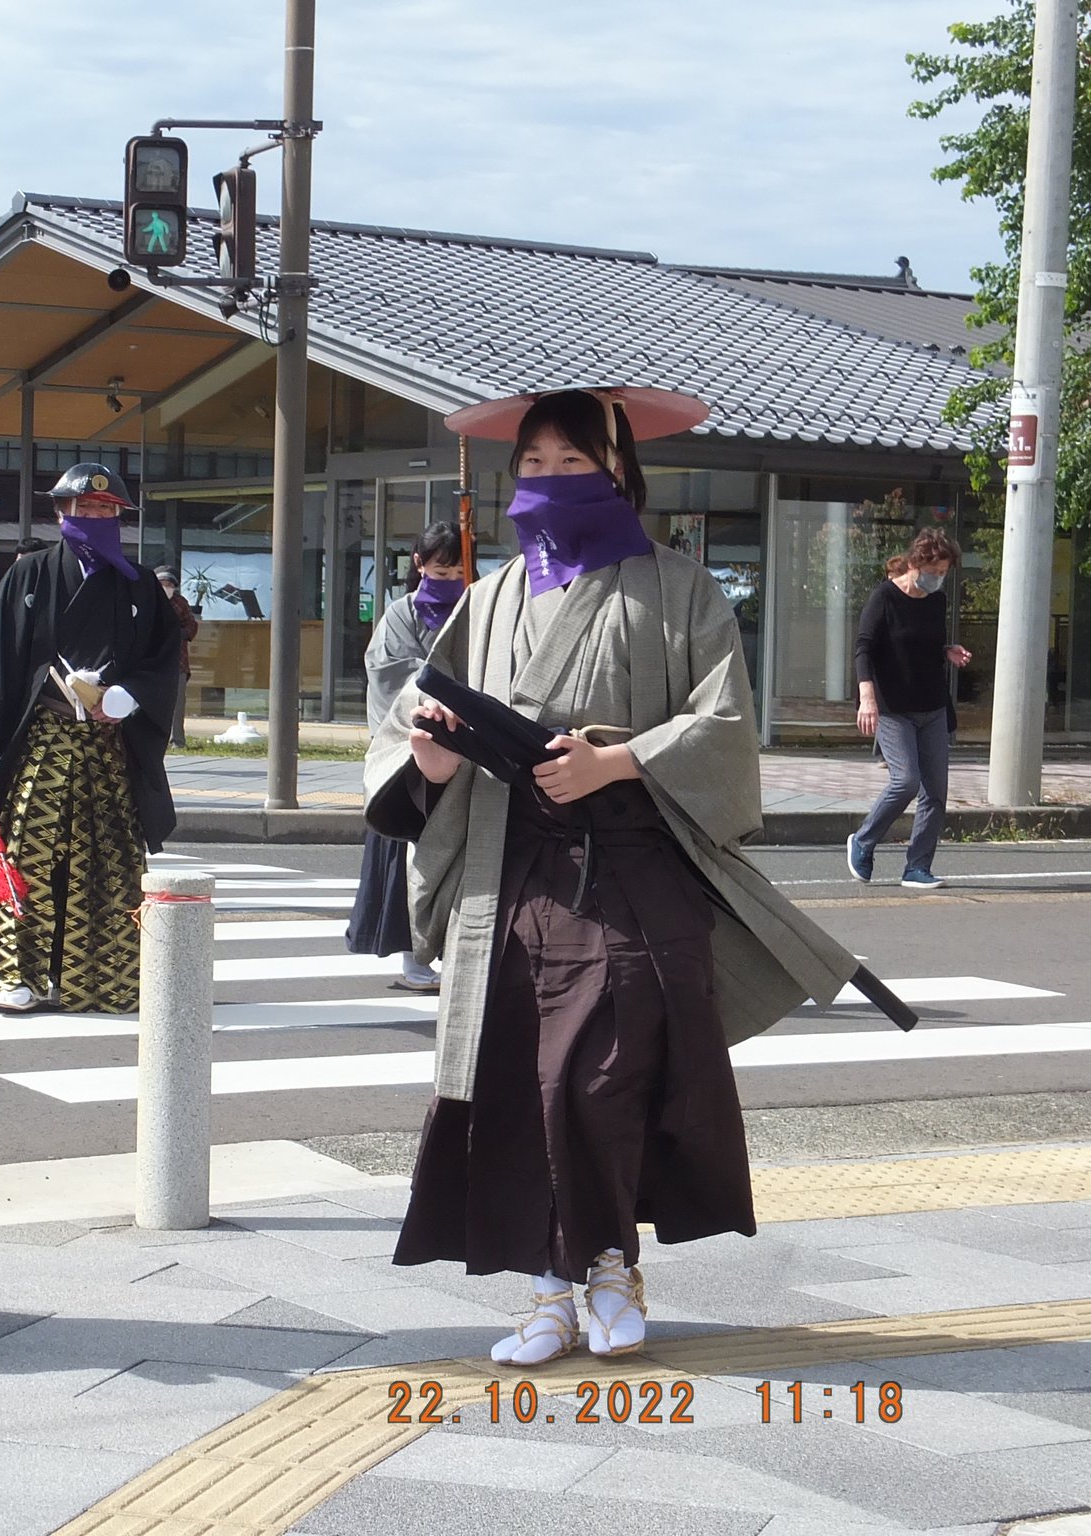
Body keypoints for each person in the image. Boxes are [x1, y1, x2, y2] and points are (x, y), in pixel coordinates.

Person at [365, 387, 866, 1367]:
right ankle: (555, 1286)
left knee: (597, 1076)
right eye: (533, 466)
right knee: (520, 1080)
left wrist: (616, 760)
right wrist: (428, 761)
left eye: (573, 463)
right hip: (512, 874)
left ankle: (604, 1267)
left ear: (620, 472)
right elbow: (421, 727)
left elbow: (720, 726)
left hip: (632, 870)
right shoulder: (491, 596)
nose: (550, 483)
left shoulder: (679, 588)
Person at [0, 464, 183, 1013]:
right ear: (61, 514)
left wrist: (130, 695)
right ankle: (16, 972)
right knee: (28, 851)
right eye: (85, 510)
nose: (96, 518)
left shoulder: (139, 584)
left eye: (108, 511)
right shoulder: (30, 574)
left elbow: (162, 659)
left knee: (108, 860)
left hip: (108, 743)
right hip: (45, 737)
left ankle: (106, 978)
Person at [347, 522, 465, 994]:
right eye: (442, 567)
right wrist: (449, 690)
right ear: (419, 564)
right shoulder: (401, 615)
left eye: (460, 568)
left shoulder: (480, 606)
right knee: (406, 860)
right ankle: (414, 959)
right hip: (416, 747)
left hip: (469, 747)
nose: (452, 576)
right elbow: (394, 677)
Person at [848, 533, 970, 891]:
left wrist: (947, 650)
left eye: (943, 572)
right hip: (892, 707)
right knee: (906, 781)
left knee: (935, 792)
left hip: (931, 704)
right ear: (915, 564)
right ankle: (863, 841)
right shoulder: (884, 597)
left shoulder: (936, 600)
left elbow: (921, 644)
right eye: (933, 570)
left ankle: (917, 867)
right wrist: (866, 697)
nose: (938, 578)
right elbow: (864, 648)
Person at [153, 566, 200, 749]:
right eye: (162, 583)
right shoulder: (149, 601)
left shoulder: (181, 603)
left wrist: (178, 634)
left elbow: (192, 626)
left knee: (177, 703)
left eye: (169, 583)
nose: (166, 587)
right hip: (152, 662)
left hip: (177, 662)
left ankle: (177, 740)